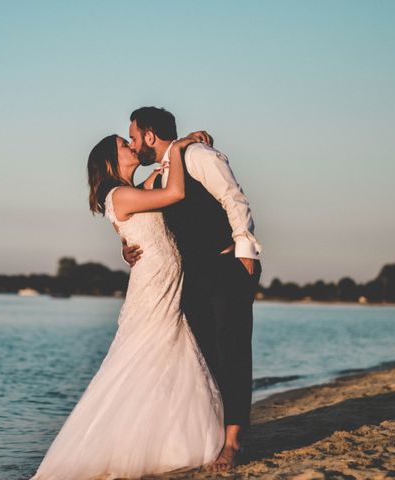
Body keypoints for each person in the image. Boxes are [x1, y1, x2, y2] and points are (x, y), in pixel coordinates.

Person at [30, 131, 224, 480]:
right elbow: (176, 192)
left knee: (165, 358)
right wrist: (179, 146)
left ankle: (165, 440)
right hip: (153, 288)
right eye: (124, 144)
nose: (132, 146)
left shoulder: (133, 191)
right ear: (110, 160)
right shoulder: (119, 194)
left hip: (164, 283)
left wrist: (175, 148)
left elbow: (158, 181)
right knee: (147, 356)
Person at [123, 106, 263, 472]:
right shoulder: (161, 174)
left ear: (151, 135)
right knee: (206, 353)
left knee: (232, 348)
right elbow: (131, 209)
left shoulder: (198, 155)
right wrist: (127, 244)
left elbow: (234, 197)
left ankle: (233, 443)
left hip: (228, 262)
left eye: (135, 137)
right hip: (193, 275)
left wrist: (245, 250)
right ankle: (216, 431)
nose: (134, 144)